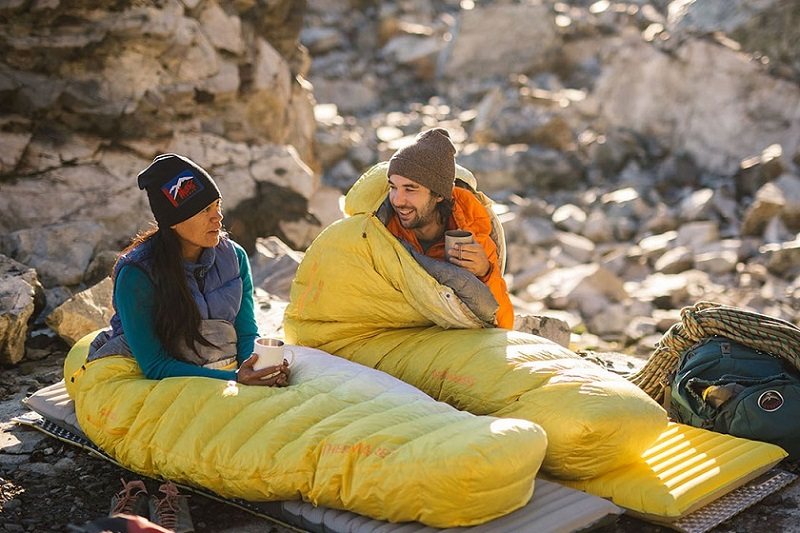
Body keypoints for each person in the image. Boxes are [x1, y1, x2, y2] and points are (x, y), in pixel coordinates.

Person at [88, 153, 289, 386]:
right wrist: (234, 378)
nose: (218, 217)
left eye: (217, 205)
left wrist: (257, 368)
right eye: (205, 210)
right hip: (153, 373)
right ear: (173, 220)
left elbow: (245, 333)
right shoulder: (137, 275)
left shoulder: (235, 257)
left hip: (216, 366)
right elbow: (154, 365)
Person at [385, 128, 514, 329]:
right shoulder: (382, 231)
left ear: (438, 195)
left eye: (410, 189)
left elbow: (502, 323)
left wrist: (485, 271)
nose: (397, 200)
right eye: (393, 187)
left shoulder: (472, 231)